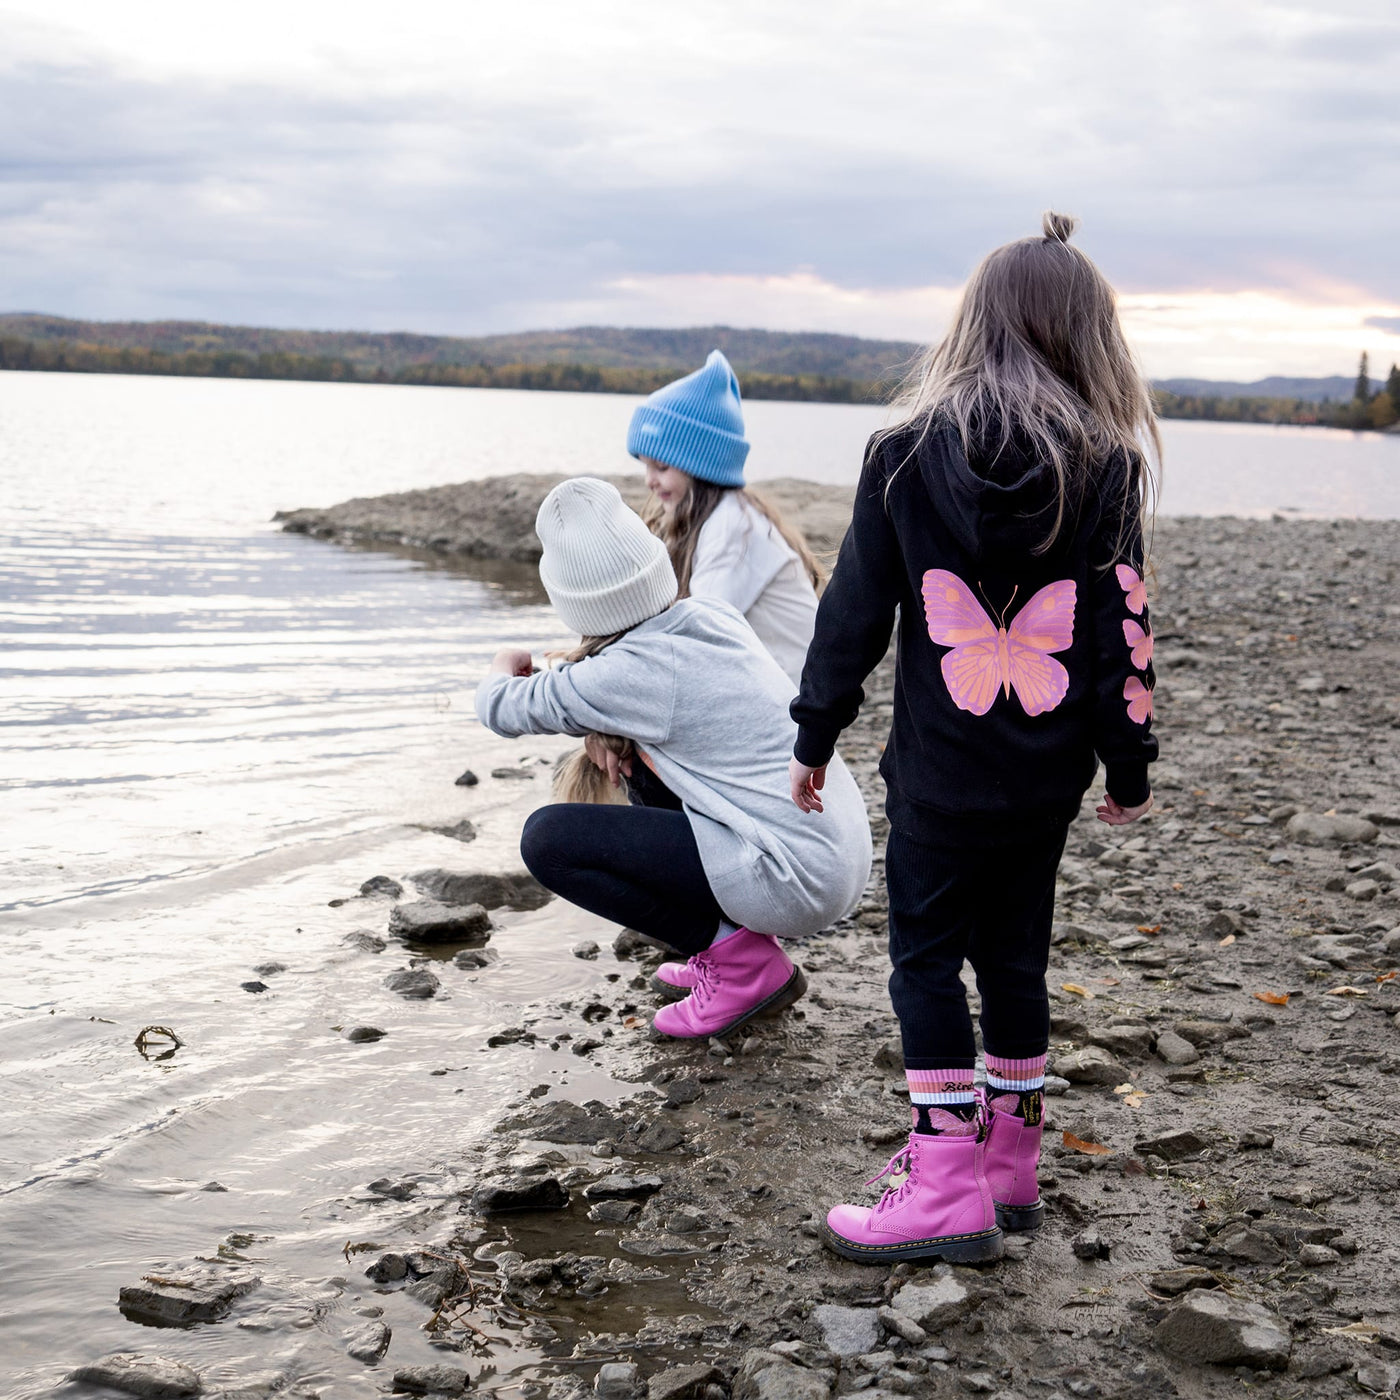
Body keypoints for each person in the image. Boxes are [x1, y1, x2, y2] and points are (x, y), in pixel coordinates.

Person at [789, 212, 1160, 1264]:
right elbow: (1118, 634)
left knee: (921, 959)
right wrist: (1126, 762)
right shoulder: (1106, 467)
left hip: (940, 778)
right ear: (1088, 340)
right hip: (1043, 777)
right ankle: (1008, 1163)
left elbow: (851, 613)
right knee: (1012, 957)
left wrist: (812, 735)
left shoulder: (903, 455)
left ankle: (943, 1176)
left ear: (974, 327)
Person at [475, 476, 872, 1039]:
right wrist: (605, 724)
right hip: (833, 853)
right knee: (638, 756)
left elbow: (498, 707)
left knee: (547, 840)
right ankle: (737, 942)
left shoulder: (629, 674)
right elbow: (633, 690)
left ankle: (740, 963)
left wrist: (504, 660)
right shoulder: (709, 616)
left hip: (794, 876)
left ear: (571, 602)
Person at [629, 350, 822, 686]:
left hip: (793, 705)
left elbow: (695, 639)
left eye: (661, 467)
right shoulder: (710, 519)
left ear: (700, 470)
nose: (650, 480)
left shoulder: (734, 530)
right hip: (762, 686)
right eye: (645, 465)